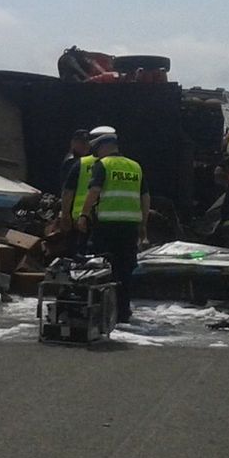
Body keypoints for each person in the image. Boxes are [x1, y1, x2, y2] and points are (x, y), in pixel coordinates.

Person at [76, 127, 150, 324]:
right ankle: (123, 312)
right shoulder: (135, 166)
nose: (96, 153)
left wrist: (83, 215)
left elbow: (94, 192)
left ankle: (103, 312)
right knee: (125, 270)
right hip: (130, 227)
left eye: (96, 148)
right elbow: (145, 197)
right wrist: (143, 224)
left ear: (103, 146)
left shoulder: (103, 165)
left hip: (107, 226)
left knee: (103, 269)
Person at [55, 128, 96, 249]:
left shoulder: (91, 161)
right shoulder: (71, 162)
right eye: (81, 142)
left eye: (87, 143)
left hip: (91, 213)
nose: (85, 146)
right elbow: (66, 190)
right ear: (73, 143)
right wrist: (65, 214)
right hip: (75, 214)